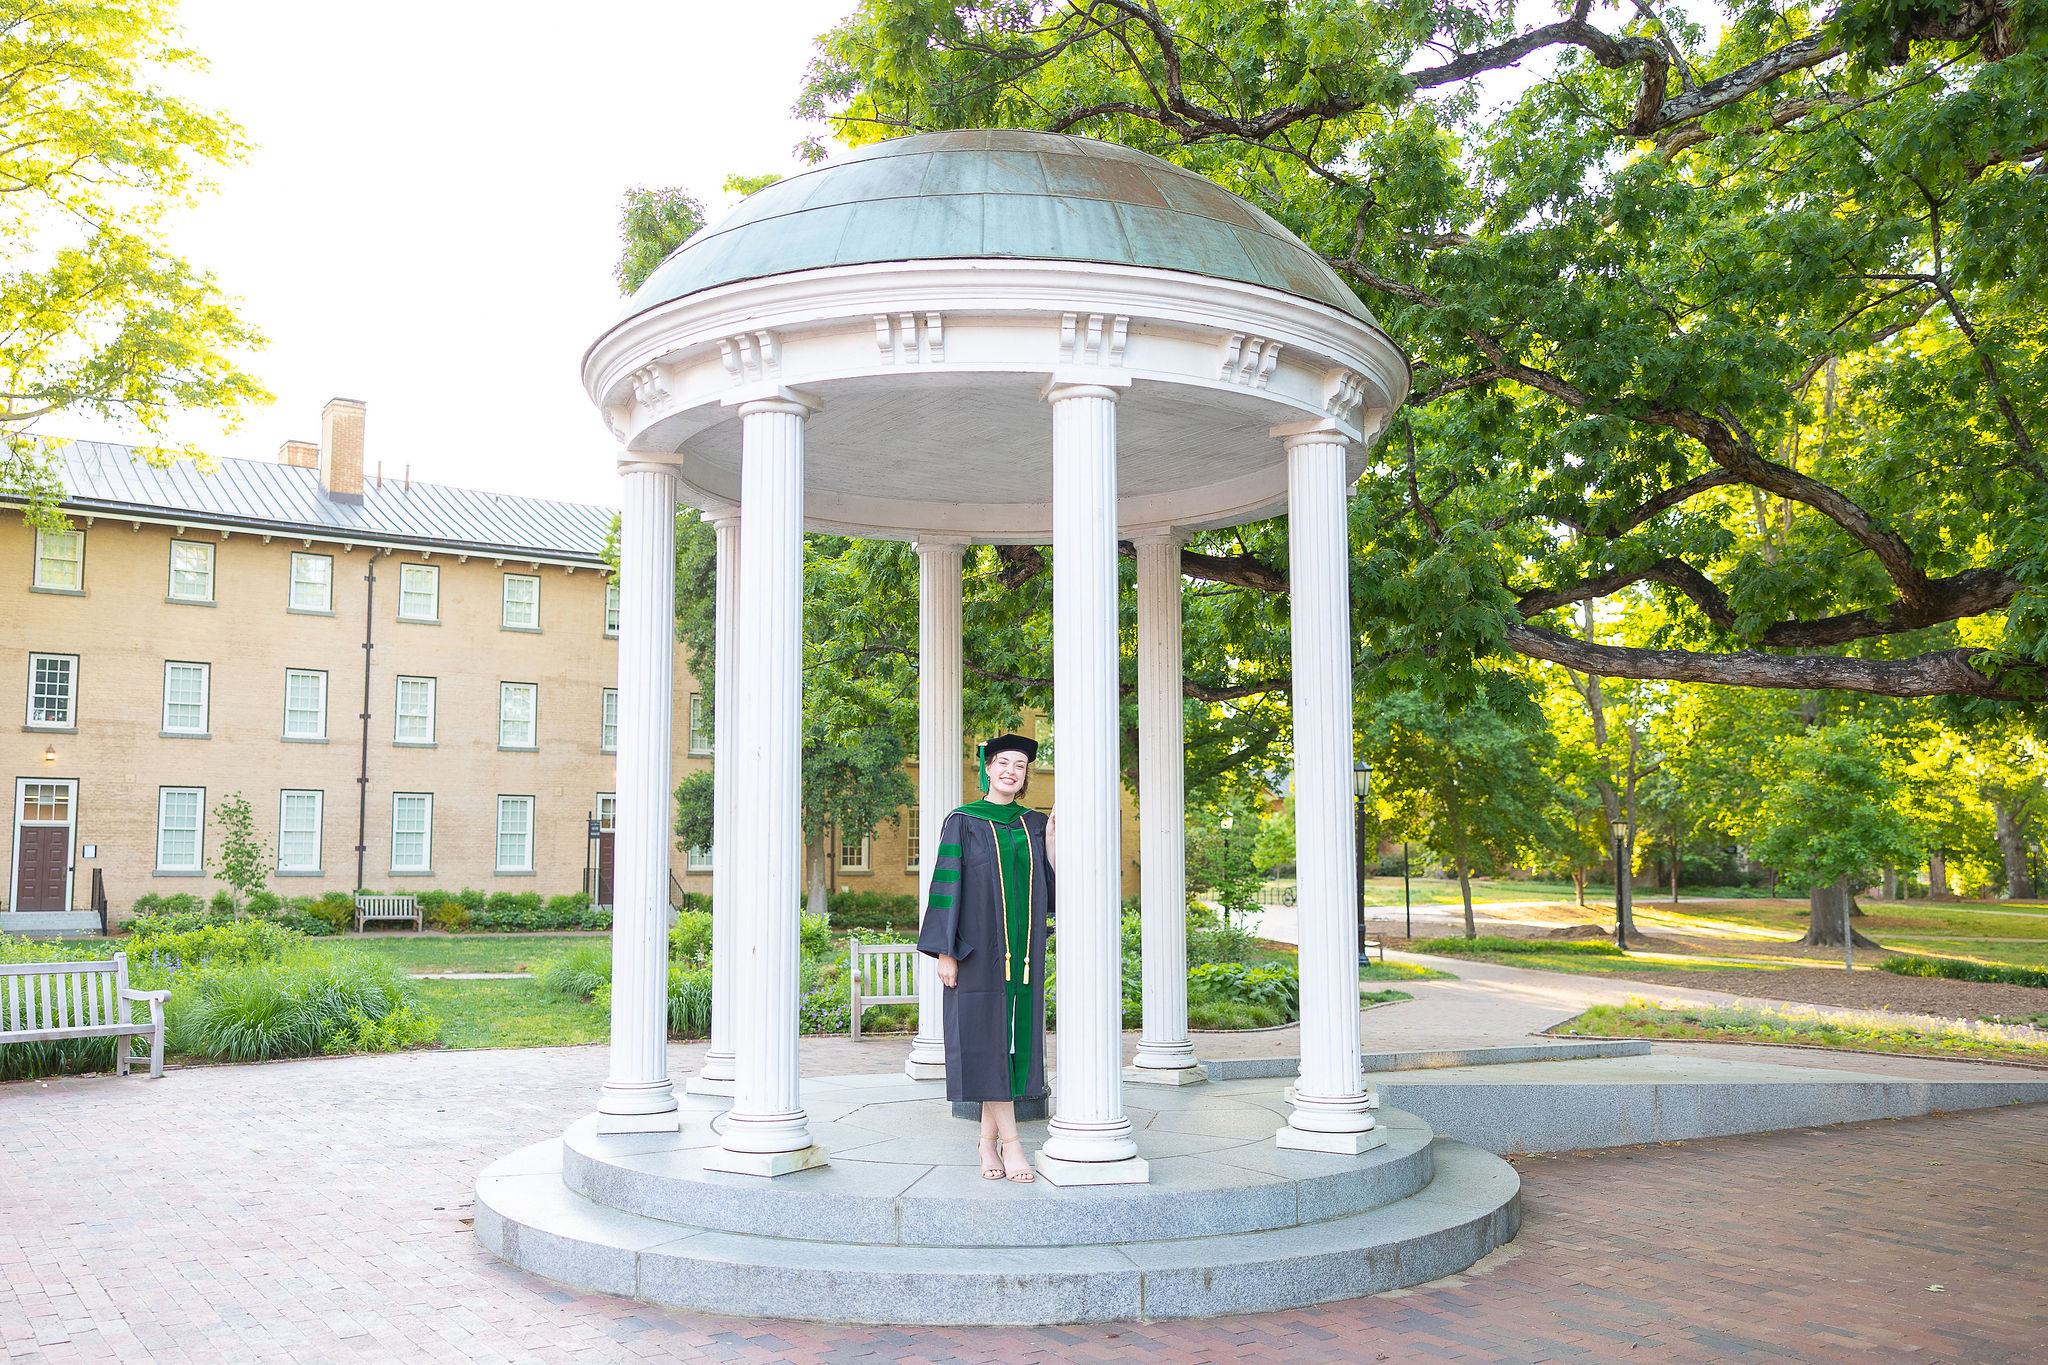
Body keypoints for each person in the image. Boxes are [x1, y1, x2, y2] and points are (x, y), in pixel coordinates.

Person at [917, 733, 1057, 1183]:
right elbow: (946, 883)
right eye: (1002, 763)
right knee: (985, 1044)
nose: (1010, 771)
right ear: (987, 769)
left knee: (1011, 1047)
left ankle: (985, 1143)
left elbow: (1051, 885)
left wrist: (1051, 842)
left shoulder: (1032, 823)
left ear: (1025, 776)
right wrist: (945, 952)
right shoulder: (963, 820)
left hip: (1025, 956)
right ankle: (1012, 1145)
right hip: (975, 952)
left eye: (1019, 765)